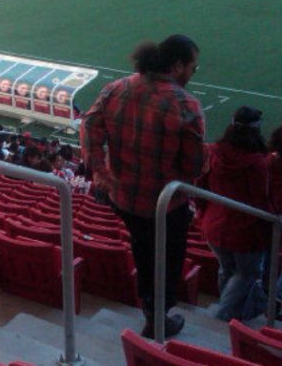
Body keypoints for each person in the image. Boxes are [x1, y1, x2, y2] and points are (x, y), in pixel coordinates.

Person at [80, 34, 205, 339]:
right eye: (193, 67)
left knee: (143, 249)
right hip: (165, 205)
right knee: (166, 260)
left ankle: (151, 311)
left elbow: (89, 125)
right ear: (178, 66)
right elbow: (194, 166)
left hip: (124, 199)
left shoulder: (116, 88)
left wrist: (100, 170)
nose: (193, 73)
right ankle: (157, 317)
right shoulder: (185, 104)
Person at [196, 106, 270, 322]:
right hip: (242, 230)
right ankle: (224, 315)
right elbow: (260, 201)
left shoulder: (213, 151)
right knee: (247, 273)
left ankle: (233, 310)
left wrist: (202, 214)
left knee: (228, 269)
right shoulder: (257, 163)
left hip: (213, 223)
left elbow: (201, 185)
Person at [264, 123, 282, 321]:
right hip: (277, 217)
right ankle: (275, 301)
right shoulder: (274, 165)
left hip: (269, 218)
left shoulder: (268, 161)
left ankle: (270, 297)